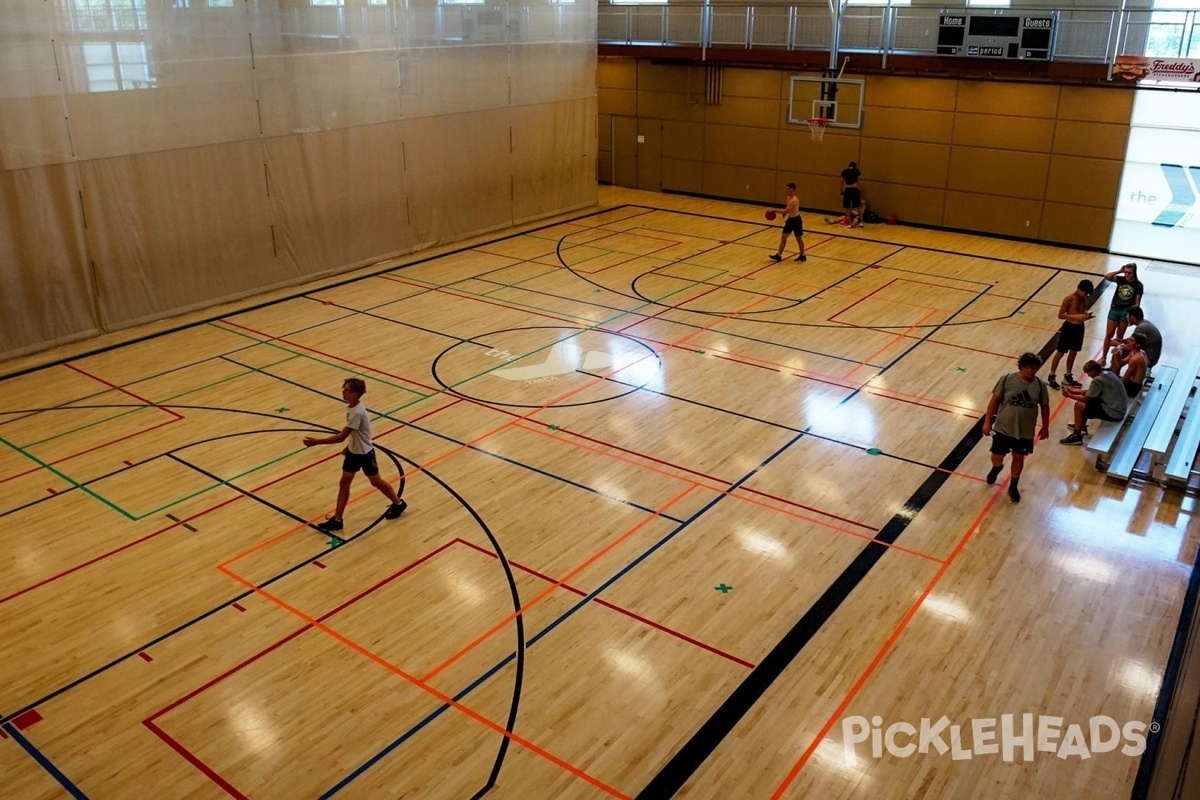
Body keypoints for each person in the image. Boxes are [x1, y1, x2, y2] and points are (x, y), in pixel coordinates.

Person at [302, 377, 407, 534]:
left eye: (347, 389)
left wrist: (317, 442)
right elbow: (355, 434)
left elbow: (342, 436)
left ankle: (398, 504)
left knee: (376, 482)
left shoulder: (357, 412)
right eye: (343, 388)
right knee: (344, 483)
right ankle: (337, 520)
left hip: (364, 454)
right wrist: (349, 447)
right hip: (354, 451)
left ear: (356, 393)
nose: (343, 391)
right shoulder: (352, 407)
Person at [982, 352, 1051, 503]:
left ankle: (1013, 485)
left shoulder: (1040, 385)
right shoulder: (1007, 380)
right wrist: (987, 422)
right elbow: (994, 402)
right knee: (997, 456)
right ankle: (996, 467)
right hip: (1003, 428)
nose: (1034, 371)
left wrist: (1046, 427)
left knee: (1018, 458)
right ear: (1022, 367)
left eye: (1036, 368)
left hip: (1025, 431)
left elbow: (1045, 407)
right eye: (1031, 368)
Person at [1059, 360, 1128, 445]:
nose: (1088, 375)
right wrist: (1073, 391)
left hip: (1114, 412)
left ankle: (1076, 435)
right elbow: (1091, 392)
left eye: (1089, 373)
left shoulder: (1098, 380)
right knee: (1089, 402)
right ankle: (1080, 425)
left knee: (1079, 405)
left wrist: (1069, 395)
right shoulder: (1108, 373)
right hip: (1120, 409)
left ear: (1094, 371)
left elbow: (1086, 399)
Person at [1046, 279, 1095, 390]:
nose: (1086, 295)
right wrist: (1076, 316)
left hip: (1079, 327)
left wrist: (1086, 315)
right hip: (1069, 327)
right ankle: (1051, 376)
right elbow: (1060, 315)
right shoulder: (1069, 298)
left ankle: (1068, 376)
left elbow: (1083, 310)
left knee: (1073, 352)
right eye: (1085, 293)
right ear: (1080, 289)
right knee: (1060, 352)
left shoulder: (1084, 298)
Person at [1100, 263, 1144, 364]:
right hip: (1114, 309)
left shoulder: (1138, 285)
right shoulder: (1121, 279)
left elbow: (1137, 302)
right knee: (1109, 334)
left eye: (1129, 273)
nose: (1127, 275)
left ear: (1134, 273)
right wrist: (1119, 271)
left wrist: (1132, 315)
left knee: (1119, 336)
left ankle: (1115, 360)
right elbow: (1107, 277)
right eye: (1125, 272)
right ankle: (1103, 357)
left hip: (1125, 312)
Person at [769, 182, 806, 262]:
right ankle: (779, 255)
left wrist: (774, 210)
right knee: (783, 237)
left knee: (798, 238)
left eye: (788, 189)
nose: (786, 190)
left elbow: (785, 210)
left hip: (796, 220)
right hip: (790, 220)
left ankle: (802, 255)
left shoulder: (794, 200)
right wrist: (785, 213)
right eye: (786, 188)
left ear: (793, 190)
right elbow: (787, 208)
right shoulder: (788, 198)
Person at [1123, 306, 1161, 377]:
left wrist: (1118, 344)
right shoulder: (1144, 323)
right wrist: (1120, 341)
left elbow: (1131, 345)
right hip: (1153, 357)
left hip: (1148, 359)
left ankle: (1116, 374)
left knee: (1121, 351)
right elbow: (1130, 340)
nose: (1126, 318)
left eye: (1127, 316)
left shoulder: (1140, 328)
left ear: (1133, 317)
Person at [1111, 332, 1148, 397]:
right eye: (1129, 339)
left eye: (1131, 341)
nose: (1128, 342)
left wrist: (1111, 383)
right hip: (1130, 382)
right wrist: (1117, 354)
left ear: (1137, 345)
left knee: (1106, 385)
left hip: (1132, 388)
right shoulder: (1136, 352)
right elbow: (1120, 364)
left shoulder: (1136, 359)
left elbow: (1124, 379)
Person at [839, 162, 864, 228]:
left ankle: (849, 223)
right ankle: (861, 222)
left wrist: (841, 191)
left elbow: (841, 181)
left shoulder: (844, 171)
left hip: (847, 189)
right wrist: (858, 189)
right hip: (854, 189)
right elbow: (859, 180)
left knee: (847, 207)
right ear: (855, 166)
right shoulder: (857, 171)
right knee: (858, 206)